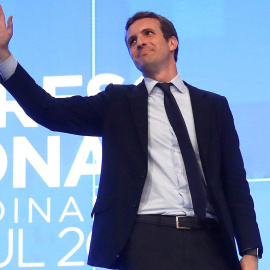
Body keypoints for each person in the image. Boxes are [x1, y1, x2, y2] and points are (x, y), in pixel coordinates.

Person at [0, 6, 263, 270]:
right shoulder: (118, 102)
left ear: (173, 42)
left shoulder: (213, 106)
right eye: (132, 41)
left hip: (211, 243)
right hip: (145, 240)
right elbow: (50, 111)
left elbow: (235, 184)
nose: (139, 42)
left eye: (148, 33)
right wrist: (3, 55)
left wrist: (250, 252)